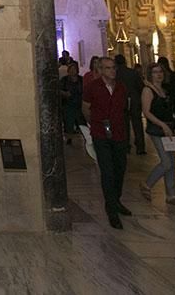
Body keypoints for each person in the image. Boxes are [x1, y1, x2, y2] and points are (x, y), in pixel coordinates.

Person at [81, 57, 132, 229]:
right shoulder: (92, 87)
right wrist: (96, 124)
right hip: (100, 133)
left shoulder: (121, 87)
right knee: (107, 171)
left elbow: (125, 109)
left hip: (118, 133)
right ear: (101, 70)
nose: (112, 71)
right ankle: (111, 209)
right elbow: (86, 108)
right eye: (108, 68)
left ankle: (116, 200)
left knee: (120, 168)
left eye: (113, 68)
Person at [140, 63, 175, 208]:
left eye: (160, 71)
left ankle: (172, 195)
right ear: (150, 74)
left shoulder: (164, 90)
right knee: (166, 161)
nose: (158, 75)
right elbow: (147, 112)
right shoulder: (148, 91)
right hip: (157, 129)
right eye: (155, 72)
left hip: (169, 128)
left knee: (172, 162)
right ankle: (147, 184)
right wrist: (162, 125)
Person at [115, 54, 145, 155]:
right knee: (137, 123)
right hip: (134, 99)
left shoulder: (115, 74)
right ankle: (140, 146)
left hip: (121, 100)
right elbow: (140, 86)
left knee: (124, 124)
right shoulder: (133, 73)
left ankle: (126, 145)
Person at [158, 56, 175, 159]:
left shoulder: (166, 78)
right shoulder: (173, 76)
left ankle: (174, 149)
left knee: (174, 128)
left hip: (170, 106)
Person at [59, 61, 83, 144]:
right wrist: (65, 93)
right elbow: (59, 89)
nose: (73, 71)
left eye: (74, 69)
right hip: (68, 104)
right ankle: (69, 138)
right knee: (69, 122)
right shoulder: (64, 80)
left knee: (81, 121)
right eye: (71, 69)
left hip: (79, 103)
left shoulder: (81, 79)